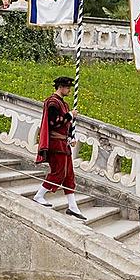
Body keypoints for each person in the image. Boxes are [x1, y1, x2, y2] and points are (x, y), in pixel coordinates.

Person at [32, 76, 86, 220]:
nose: (69, 90)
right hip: (55, 144)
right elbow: (55, 123)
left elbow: (65, 125)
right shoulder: (52, 103)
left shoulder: (64, 104)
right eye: (67, 87)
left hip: (64, 143)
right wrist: (69, 115)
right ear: (61, 87)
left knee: (69, 175)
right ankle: (39, 195)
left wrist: (70, 136)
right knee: (58, 172)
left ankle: (72, 206)